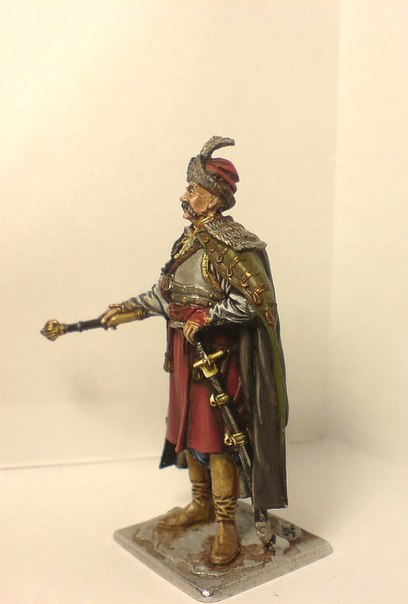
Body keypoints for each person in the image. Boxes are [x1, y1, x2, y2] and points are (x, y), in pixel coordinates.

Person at [100, 136, 288, 565]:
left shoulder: (234, 245)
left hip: (216, 362)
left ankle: (226, 525)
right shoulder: (188, 242)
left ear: (213, 198)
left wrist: (208, 316)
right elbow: (167, 294)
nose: (184, 196)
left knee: (216, 442)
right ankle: (201, 503)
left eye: (192, 189)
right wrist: (128, 309)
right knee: (188, 435)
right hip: (184, 356)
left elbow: (255, 302)